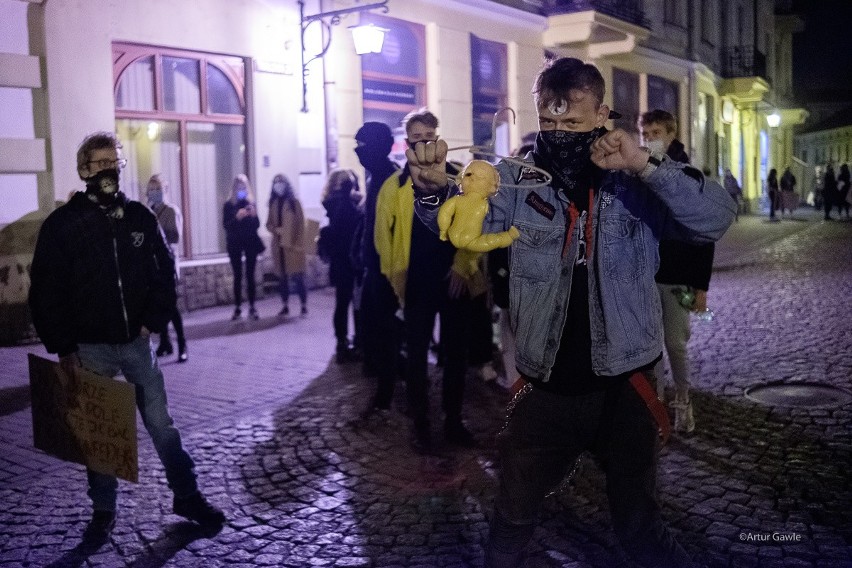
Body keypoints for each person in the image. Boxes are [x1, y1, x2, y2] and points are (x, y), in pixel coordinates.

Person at [408, 57, 735, 567]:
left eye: (574, 123)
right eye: (549, 122)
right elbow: (455, 228)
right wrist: (430, 191)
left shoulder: (635, 177)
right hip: (544, 387)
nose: (559, 133)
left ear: (602, 112)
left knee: (639, 528)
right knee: (511, 521)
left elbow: (716, 217)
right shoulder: (515, 180)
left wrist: (645, 164)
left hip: (627, 385)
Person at [28, 131, 225, 538]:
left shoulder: (139, 217)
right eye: (99, 164)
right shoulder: (63, 226)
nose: (108, 171)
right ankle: (103, 510)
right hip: (90, 348)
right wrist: (63, 347)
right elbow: (46, 290)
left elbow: (165, 274)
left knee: (162, 425)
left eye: (114, 163)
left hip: (137, 344)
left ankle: (186, 495)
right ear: (84, 170)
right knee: (101, 434)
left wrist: (153, 320)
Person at [375, 108, 478, 452]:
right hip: (417, 281)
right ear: (407, 142)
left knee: (456, 355)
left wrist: (464, 264)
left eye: (429, 137)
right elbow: (383, 239)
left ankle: (452, 420)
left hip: (454, 279)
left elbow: (478, 223)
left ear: (438, 137)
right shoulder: (395, 186)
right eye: (417, 139)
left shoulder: (459, 178)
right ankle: (421, 423)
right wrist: (397, 279)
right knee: (416, 355)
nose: (424, 144)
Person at [639, 109, 715, 434]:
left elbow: (705, 233)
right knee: (651, 345)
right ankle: (656, 404)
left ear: (671, 135)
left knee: (676, 343)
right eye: (646, 133)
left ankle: (683, 400)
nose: (651, 138)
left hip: (678, 275)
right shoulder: (639, 173)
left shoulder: (689, 176)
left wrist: (700, 286)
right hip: (645, 275)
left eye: (657, 132)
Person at [353, 122, 401, 416]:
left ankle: (386, 389)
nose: (358, 150)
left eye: (362, 144)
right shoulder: (374, 176)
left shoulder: (391, 178)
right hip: (372, 266)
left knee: (386, 330)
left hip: (385, 269)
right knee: (374, 328)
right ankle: (386, 379)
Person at [318, 168, 364, 362]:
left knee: (342, 303)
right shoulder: (348, 205)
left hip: (339, 262)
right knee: (355, 304)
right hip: (351, 261)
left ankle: (342, 341)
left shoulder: (332, 204)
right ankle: (354, 343)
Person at [146, 174, 188, 362]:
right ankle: (165, 342)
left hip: (168, 264)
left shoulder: (171, 211)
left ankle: (182, 344)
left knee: (171, 306)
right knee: (158, 303)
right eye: (152, 189)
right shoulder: (147, 211)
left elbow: (176, 237)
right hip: (153, 265)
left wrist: (158, 231)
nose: (154, 193)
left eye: (158, 189)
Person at [223, 174, 265, 320]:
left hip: (250, 243)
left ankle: (252, 307)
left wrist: (253, 216)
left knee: (250, 275)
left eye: (244, 186)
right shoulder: (228, 205)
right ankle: (238, 307)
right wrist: (237, 218)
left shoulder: (250, 203)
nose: (241, 188)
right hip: (234, 244)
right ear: (234, 188)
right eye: (239, 186)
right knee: (238, 275)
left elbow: (257, 225)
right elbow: (226, 226)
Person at [266, 174, 308, 316]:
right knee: (282, 278)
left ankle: (303, 305)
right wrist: (276, 230)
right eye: (276, 182)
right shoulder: (273, 203)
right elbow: (268, 223)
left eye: (281, 182)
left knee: (298, 277)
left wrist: (299, 244)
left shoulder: (294, 202)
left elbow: (301, 224)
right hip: (279, 247)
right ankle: (285, 305)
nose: (279, 185)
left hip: (293, 246)